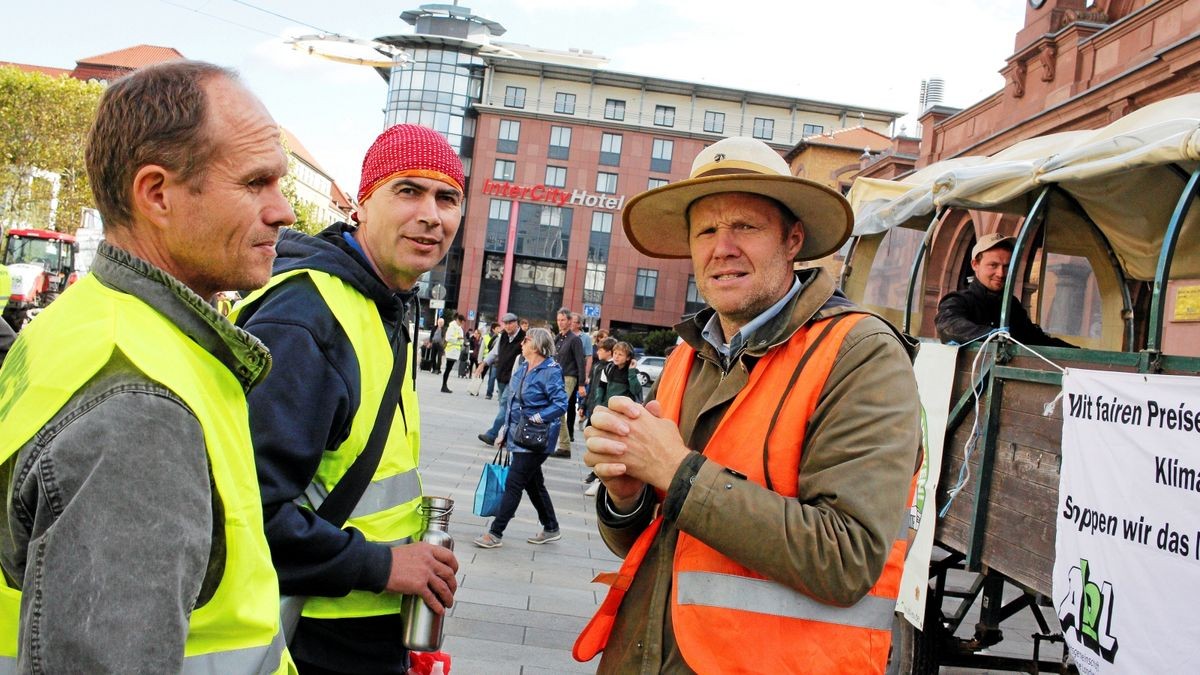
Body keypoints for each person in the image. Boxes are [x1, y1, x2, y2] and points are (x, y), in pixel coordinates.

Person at [575, 136, 921, 673]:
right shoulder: (686, 358)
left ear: (792, 241)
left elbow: (846, 559)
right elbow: (653, 543)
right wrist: (627, 496)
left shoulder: (860, 354)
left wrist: (676, 471)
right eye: (707, 230)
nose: (723, 247)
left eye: (746, 227)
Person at [0, 61, 294, 673]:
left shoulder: (87, 319)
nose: (284, 210)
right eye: (256, 183)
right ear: (156, 193)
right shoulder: (143, 412)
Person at [234, 123, 461, 674]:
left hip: (360, 627)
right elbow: (245, 513)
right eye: (408, 190)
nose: (431, 214)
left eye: (447, 197)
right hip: (306, 637)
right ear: (362, 205)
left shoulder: (382, 306)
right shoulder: (308, 318)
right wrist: (381, 565)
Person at [472, 327, 568, 549]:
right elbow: (512, 402)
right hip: (519, 434)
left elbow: (561, 403)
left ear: (537, 345)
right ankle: (551, 526)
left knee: (514, 482)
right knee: (534, 484)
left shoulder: (551, 370)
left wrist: (538, 417)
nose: (522, 343)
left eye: (526, 339)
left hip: (537, 437)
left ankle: (495, 532)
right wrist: (505, 430)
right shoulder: (523, 366)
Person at [935, 233, 1076, 347]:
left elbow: (1035, 339)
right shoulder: (958, 301)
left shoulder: (1012, 306)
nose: (1001, 273)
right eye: (993, 265)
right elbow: (949, 326)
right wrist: (995, 336)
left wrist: (1078, 353)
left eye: (1007, 266)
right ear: (975, 264)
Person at [476, 313, 525, 444]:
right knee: (506, 409)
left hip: (515, 378)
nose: (508, 326)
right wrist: (483, 364)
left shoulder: (524, 338)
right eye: (506, 323)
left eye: (510, 323)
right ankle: (508, 437)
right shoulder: (502, 336)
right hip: (501, 376)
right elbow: (494, 353)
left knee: (505, 404)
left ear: (517, 323)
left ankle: (492, 434)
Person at [553, 307, 586, 458]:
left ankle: (564, 446)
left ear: (570, 321)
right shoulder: (558, 338)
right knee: (555, 410)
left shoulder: (575, 340)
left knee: (558, 409)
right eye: (558, 320)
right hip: (556, 376)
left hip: (569, 377)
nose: (560, 323)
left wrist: (581, 384)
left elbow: (581, 362)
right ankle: (563, 446)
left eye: (563, 320)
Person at [441, 312, 464, 392]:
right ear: (457, 320)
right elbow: (448, 338)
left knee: (449, 369)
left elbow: (462, 341)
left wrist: (459, 340)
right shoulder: (452, 327)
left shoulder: (460, 329)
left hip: (456, 351)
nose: (461, 324)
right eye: (460, 322)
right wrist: (457, 339)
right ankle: (444, 386)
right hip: (450, 351)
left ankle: (444, 385)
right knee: (448, 368)